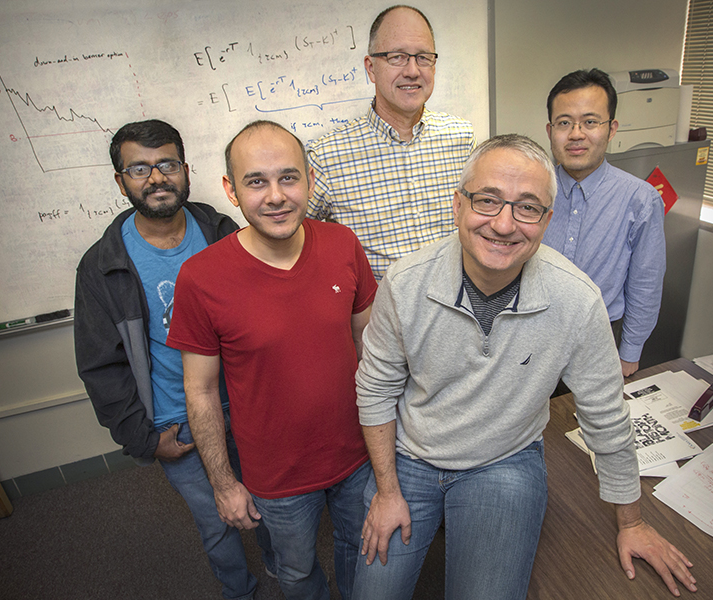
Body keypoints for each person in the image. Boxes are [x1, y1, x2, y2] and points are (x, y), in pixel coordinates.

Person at [353, 134, 697, 600]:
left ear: (547, 221)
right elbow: (375, 389)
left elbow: (606, 415)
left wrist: (632, 523)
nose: (503, 224)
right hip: (411, 456)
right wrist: (387, 490)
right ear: (458, 205)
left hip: (504, 460)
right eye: (487, 201)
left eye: (527, 208)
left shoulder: (575, 299)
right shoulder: (406, 283)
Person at [166, 120, 378, 600]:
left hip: (358, 454)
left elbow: (372, 346)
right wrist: (224, 484)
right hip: (276, 476)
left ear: (310, 180)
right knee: (297, 572)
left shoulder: (343, 244)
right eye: (256, 181)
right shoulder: (200, 278)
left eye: (288, 177)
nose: (276, 196)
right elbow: (199, 392)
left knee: (360, 552)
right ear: (231, 190)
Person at [74, 119, 271, 600]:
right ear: (120, 181)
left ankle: (283, 572)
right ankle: (240, 592)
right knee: (218, 525)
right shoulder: (102, 265)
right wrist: (144, 439)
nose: (155, 178)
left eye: (166, 164)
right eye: (138, 168)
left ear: (185, 170)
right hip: (176, 423)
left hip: (248, 406)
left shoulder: (222, 231)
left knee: (271, 506)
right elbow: (101, 367)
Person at [307, 4, 475, 280]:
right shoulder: (326, 157)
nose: (412, 71)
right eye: (397, 57)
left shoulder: (462, 138)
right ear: (371, 68)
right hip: (380, 319)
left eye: (423, 58)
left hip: (457, 314)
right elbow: (290, 244)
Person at [543, 68, 666, 377]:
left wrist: (630, 353)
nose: (576, 134)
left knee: (586, 424)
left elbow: (645, 283)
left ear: (611, 129)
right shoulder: (533, 190)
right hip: (532, 333)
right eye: (564, 123)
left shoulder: (641, 198)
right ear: (549, 130)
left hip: (600, 339)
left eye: (590, 122)